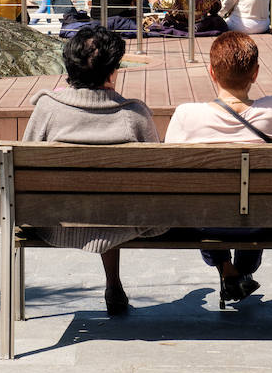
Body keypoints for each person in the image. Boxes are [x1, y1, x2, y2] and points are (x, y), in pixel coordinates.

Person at [22, 25, 165, 315]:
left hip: (55, 222)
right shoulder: (134, 114)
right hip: (124, 221)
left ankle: (113, 284)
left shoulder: (48, 109)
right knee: (113, 201)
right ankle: (113, 284)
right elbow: (159, 176)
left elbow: (24, 167)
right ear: (112, 71)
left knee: (103, 201)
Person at [164, 31, 272, 304]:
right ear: (255, 74)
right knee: (249, 208)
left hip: (205, 223)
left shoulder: (187, 114)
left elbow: (169, 167)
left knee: (205, 207)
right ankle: (240, 271)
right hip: (258, 222)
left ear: (212, 72)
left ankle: (228, 270)